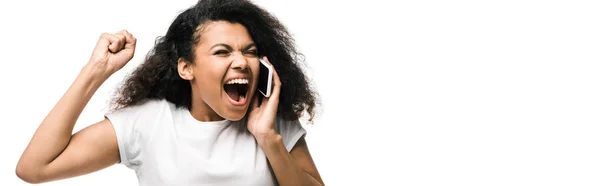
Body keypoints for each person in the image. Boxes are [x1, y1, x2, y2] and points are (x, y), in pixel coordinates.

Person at [15, 0, 324, 185]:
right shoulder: (147, 124)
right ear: (186, 68)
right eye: (222, 52)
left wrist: (268, 139)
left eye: (250, 51)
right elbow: (34, 168)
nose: (242, 62)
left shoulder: (272, 126)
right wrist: (96, 70)